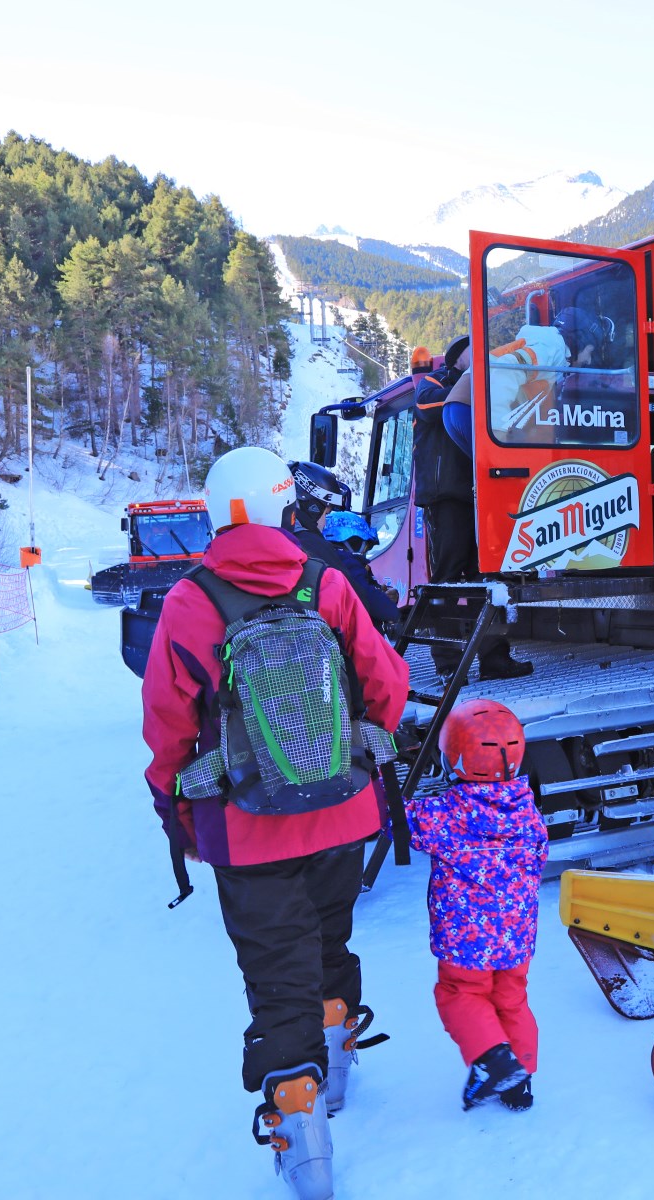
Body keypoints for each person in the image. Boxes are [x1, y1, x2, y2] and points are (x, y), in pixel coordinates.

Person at [142, 447, 409, 1200]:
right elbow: (386, 683)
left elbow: (166, 721)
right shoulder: (324, 582)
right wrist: (359, 757)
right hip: (341, 807)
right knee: (330, 936)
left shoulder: (192, 602)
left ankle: (304, 1139)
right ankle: (339, 1057)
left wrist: (176, 807)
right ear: (287, 507)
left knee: (275, 968)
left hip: (244, 827)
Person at [404, 699, 547, 1112]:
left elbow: (400, 821)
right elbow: (538, 859)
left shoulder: (444, 814)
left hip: (466, 939)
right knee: (512, 999)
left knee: (460, 994)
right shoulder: (529, 810)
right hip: (517, 934)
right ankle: (520, 1084)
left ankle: (494, 1061)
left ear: (455, 759)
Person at [412, 338, 532, 681]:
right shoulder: (435, 382)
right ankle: (449, 665)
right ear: (455, 358)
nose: (482, 355)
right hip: (446, 496)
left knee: (488, 579)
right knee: (448, 579)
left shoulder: (487, 387)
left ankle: (495, 659)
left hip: (482, 495)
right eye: (473, 350)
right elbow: (428, 407)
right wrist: (471, 391)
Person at [287, 459, 402, 639]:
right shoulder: (313, 545)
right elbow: (359, 601)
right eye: (326, 513)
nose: (325, 523)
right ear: (313, 508)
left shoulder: (284, 537)